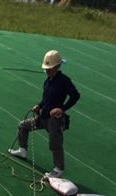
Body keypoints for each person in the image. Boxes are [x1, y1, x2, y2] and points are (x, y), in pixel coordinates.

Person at [9, 50, 80, 178]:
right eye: (46, 68)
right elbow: (46, 99)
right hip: (43, 117)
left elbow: (76, 95)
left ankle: (58, 169)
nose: (47, 70)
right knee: (23, 126)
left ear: (57, 66)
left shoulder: (64, 81)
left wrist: (62, 109)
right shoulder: (48, 81)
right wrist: (39, 106)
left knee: (55, 144)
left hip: (55, 120)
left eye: (50, 68)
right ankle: (22, 150)